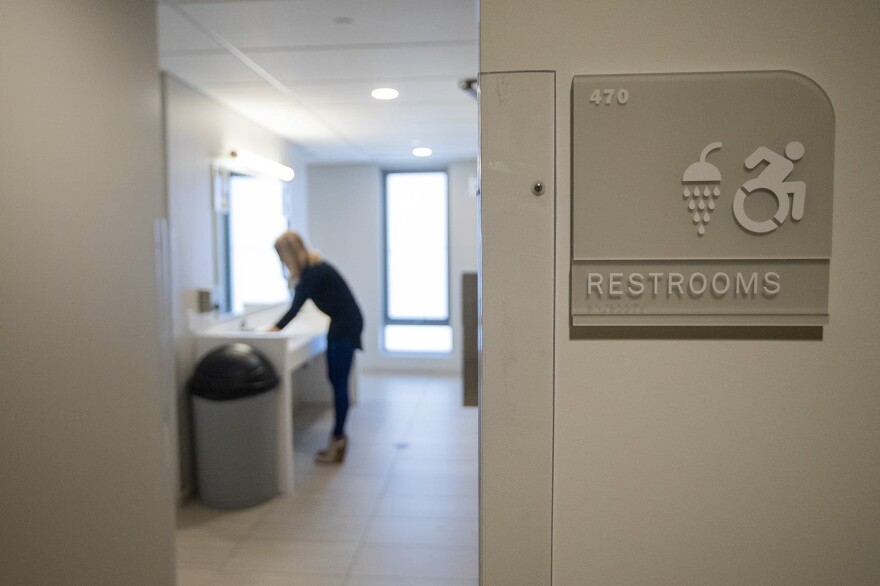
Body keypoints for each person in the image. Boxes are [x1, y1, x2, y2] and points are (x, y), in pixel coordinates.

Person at [270, 231, 363, 464]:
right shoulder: (315, 269)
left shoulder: (312, 272)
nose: (282, 263)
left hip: (344, 326)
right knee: (336, 381)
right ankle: (338, 438)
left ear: (289, 254)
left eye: (282, 257)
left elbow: (295, 307)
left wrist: (273, 330)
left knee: (338, 383)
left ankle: (338, 440)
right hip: (345, 323)